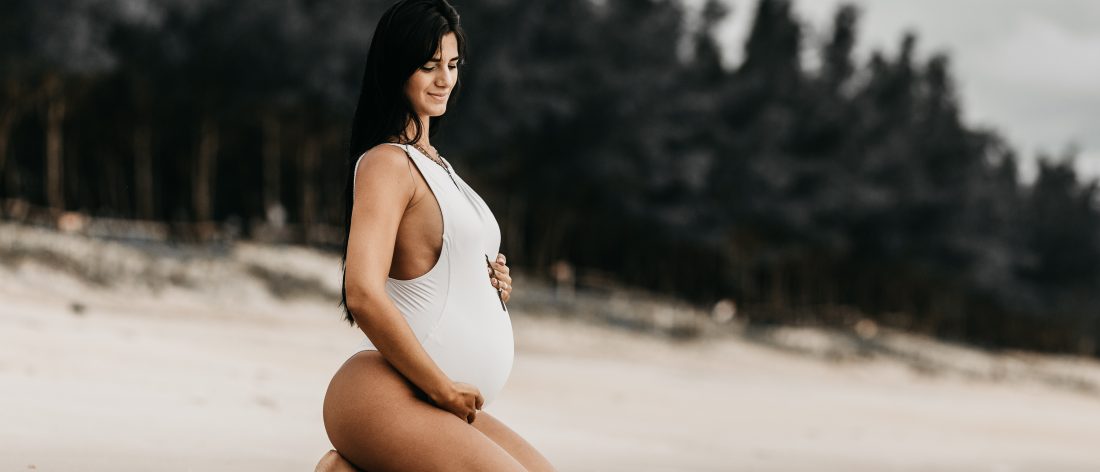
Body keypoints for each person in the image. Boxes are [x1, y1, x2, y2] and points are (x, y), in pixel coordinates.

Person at [316, 1, 557, 471]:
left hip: (435, 402)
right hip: (397, 392)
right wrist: (443, 388)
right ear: (396, 69)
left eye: (452, 65)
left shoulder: (438, 165)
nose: (444, 79)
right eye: (429, 67)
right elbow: (362, 292)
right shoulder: (388, 163)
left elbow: (437, 261)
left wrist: (489, 283)